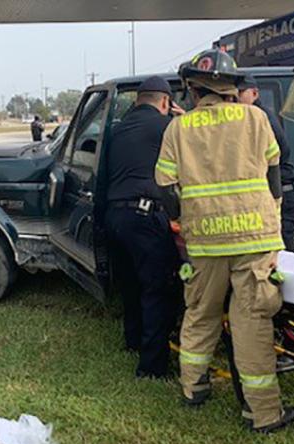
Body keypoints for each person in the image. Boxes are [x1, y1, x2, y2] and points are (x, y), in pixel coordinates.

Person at [155, 49, 294, 432]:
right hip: (255, 238)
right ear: (233, 87)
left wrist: (179, 220)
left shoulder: (178, 129)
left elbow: (166, 186)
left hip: (204, 243)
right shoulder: (256, 118)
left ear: (192, 89)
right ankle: (263, 414)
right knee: (252, 323)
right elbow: (274, 175)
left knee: (200, 314)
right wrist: (275, 215)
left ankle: (193, 389)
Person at [101, 75, 182, 378]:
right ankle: (152, 367)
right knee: (157, 289)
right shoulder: (168, 126)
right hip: (145, 217)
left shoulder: (118, 129)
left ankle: (132, 340)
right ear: (165, 102)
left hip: (114, 217)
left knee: (131, 285)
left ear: (138, 100)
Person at [237, 75, 294, 251]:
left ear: (255, 93)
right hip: (275, 194)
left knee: (281, 260)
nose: (236, 97)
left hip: (280, 195)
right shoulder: (252, 117)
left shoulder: (260, 119)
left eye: (241, 92)